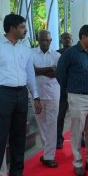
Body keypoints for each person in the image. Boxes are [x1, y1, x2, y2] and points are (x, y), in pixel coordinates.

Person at [0, 14, 42, 176]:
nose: (25, 30)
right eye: (22, 26)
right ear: (12, 28)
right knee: (0, 134)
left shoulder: (25, 48)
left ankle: (16, 171)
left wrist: (35, 96)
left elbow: (30, 74)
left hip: (21, 92)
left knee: (19, 133)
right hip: (2, 92)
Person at [56, 24, 88, 176]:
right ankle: (77, 162)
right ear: (83, 37)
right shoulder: (70, 54)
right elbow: (60, 75)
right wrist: (70, 90)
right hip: (77, 96)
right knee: (77, 131)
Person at [32, 30, 61, 168]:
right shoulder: (31, 54)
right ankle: (46, 152)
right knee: (41, 125)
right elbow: (30, 72)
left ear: (51, 41)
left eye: (47, 40)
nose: (45, 42)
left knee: (51, 124)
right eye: (42, 40)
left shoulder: (57, 55)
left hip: (53, 94)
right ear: (38, 40)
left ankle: (49, 156)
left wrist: (38, 70)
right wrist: (48, 69)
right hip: (36, 94)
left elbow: (56, 73)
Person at [56, 32, 73, 149]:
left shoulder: (76, 52)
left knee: (79, 116)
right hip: (61, 89)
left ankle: (82, 137)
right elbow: (56, 71)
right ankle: (58, 139)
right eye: (64, 38)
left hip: (74, 88)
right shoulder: (57, 53)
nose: (66, 40)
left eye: (68, 38)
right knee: (60, 115)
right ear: (61, 40)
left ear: (72, 39)